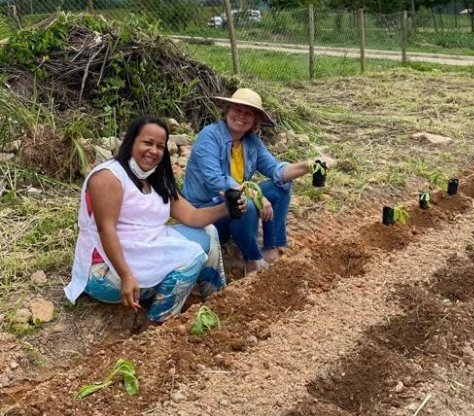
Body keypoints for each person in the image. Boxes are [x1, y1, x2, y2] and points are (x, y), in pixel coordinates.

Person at [64, 116, 244, 325]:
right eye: (147, 143)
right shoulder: (109, 177)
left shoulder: (157, 178)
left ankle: (216, 300)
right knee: (192, 257)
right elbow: (106, 230)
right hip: (106, 270)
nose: (154, 151)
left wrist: (226, 208)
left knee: (209, 232)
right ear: (132, 141)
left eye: (160, 146)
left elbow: (193, 217)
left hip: (144, 249)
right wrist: (126, 276)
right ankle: (159, 327)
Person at [183, 88, 333, 273]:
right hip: (206, 213)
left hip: (235, 206)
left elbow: (277, 170)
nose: (241, 116)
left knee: (280, 187)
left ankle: (270, 247)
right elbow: (216, 180)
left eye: (248, 113)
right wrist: (256, 195)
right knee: (247, 202)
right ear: (227, 111)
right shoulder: (210, 136)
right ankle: (252, 259)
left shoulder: (251, 142)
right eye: (237, 109)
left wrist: (309, 165)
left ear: (255, 120)